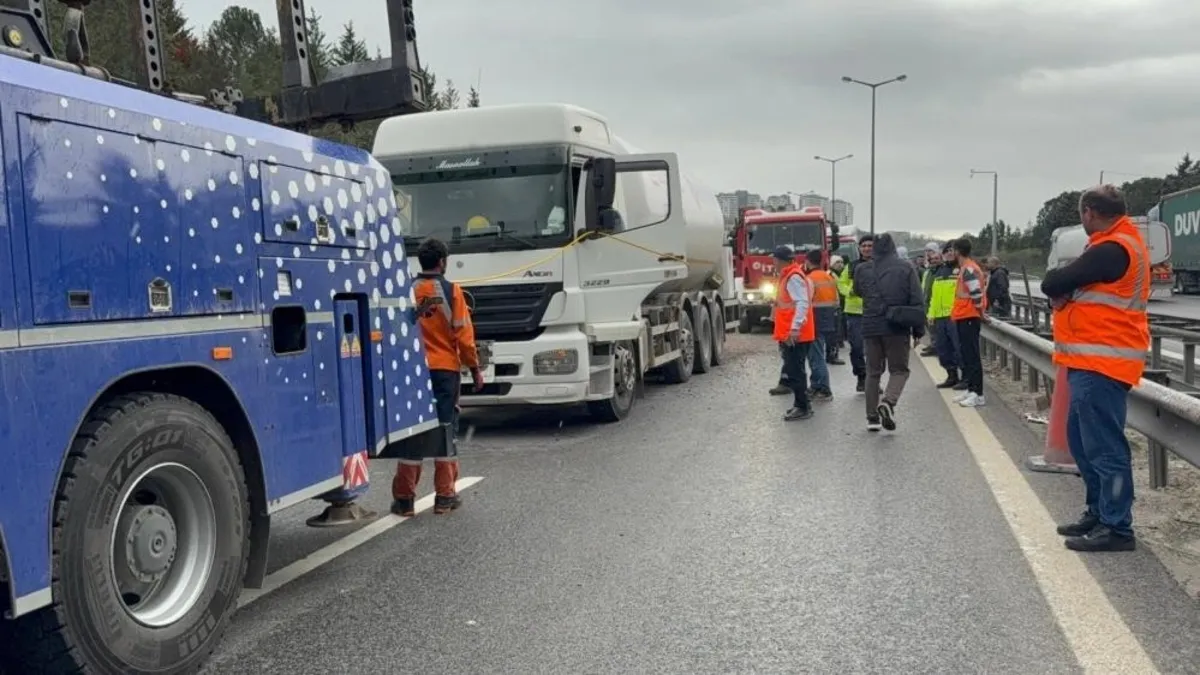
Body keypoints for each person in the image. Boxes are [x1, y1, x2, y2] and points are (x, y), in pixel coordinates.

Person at [1041, 185, 1149, 553]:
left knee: (1105, 449)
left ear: (1089, 212)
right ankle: (1099, 512)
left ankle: (1117, 527)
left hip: (1105, 363)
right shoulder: (1110, 245)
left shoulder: (1113, 248)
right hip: (1090, 362)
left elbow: (1053, 282)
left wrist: (1063, 289)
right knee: (1083, 444)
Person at [391, 238, 486, 517]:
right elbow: (464, 336)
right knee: (445, 429)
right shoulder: (451, 291)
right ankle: (445, 497)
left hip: (413, 371)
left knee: (413, 432)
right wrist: (475, 368)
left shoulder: (407, 290)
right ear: (442, 262)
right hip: (444, 370)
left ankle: (404, 500)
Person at [852, 233, 925, 431]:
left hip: (870, 326)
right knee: (899, 370)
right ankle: (888, 401)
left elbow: (858, 291)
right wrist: (918, 330)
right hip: (896, 327)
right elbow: (916, 300)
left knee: (873, 372)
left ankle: (872, 418)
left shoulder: (862, 269)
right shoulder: (906, 268)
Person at [772, 245, 816, 421]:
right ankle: (801, 404)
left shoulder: (793, 277)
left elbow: (802, 303)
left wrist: (795, 328)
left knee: (796, 371)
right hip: (792, 333)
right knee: (794, 370)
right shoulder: (790, 275)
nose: (773, 263)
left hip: (796, 334)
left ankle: (802, 406)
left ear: (781, 261)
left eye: (775, 260)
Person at [949, 238, 988, 407]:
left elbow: (976, 294)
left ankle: (978, 394)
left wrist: (981, 313)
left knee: (972, 356)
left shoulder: (969, 269)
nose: (951, 253)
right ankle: (972, 389)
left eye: (953, 250)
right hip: (965, 315)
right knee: (967, 354)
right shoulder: (967, 267)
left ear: (957, 251)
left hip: (970, 316)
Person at [837, 235, 874, 392]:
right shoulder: (851, 266)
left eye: (870, 245)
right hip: (854, 313)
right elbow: (841, 284)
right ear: (859, 248)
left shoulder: (880, 265)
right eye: (863, 246)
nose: (866, 248)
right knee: (857, 347)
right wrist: (849, 291)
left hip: (875, 312)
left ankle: (873, 380)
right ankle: (861, 377)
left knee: (875, 349)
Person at [926, 242, 962, 389]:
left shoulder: (961, 269)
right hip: (939, 317)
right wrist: (931, 314)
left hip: (955, 316)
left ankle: (965, 378)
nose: (949, 253)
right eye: (947, 251)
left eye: (952, 251)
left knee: (958, 348)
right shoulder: (940, 271)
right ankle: (951, 376)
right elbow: (934, 296)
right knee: (943, 349)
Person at [804, 248, 837, 401]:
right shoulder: (828, 277)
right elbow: (836, 300)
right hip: (828, 317)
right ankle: (816, 385)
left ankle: (824, 388)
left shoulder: (809, 279)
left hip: (815, 318)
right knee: (816, 354)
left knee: (816, 356)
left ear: (807, 261)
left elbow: (806, 301)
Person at [919, 243, 942, 357]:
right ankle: (933, 344)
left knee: (934, 326)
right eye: (927, 251)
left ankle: (936, 346)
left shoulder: (938, 269)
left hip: (934, 301)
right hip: (926, 301)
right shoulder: (928, 269)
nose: (928, 253)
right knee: (930, 326)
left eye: (931, 251)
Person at [828, 255, 847, 364]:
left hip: (839, 303)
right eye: (837, 262)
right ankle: (833, 354)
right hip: (834, 305)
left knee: (837, 328)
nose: (840, 264)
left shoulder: (841, 274)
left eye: (841, 262)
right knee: (834, 330)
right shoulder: (830, 274)